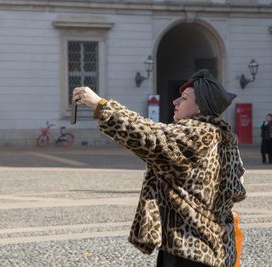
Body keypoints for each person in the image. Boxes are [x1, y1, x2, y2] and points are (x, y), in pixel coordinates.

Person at [72, 69, 246, 267]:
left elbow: (149, 137)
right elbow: (237, 190)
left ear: (200, 107)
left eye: (184, 98)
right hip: (209, 247)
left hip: (192, 249)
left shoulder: (198, 134)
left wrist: (101, 106)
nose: (175, 102)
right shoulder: (221, 136)